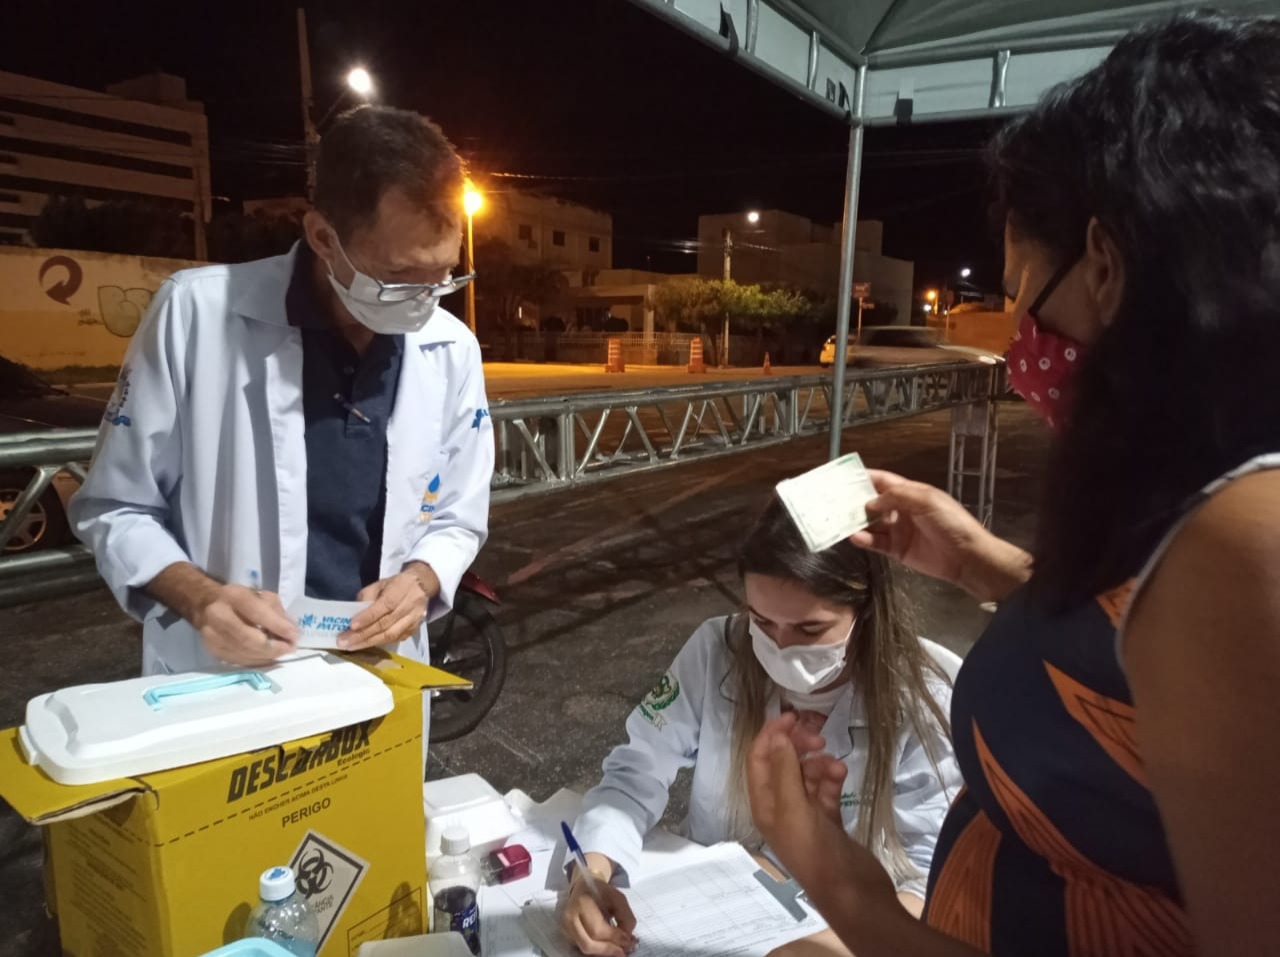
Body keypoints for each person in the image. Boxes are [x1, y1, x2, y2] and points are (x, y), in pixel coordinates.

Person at [746, 13, 1280, 957]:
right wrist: (987, 566)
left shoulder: (1245, 543)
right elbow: (1138, 659)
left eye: (1025, 298)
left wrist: (846, 892)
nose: (1024, 346)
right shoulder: (1198, 494)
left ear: (1107, 264)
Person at [70, 106, 493, 731]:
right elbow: (116, 507)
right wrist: (202, 599)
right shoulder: (196, 315)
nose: (425, 302)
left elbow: (459, 512)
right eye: (401, 277)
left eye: (445, 275)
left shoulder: (450, 348)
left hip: (380, 678)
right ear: (323, 237)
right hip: (228, 681)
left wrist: (423, 579)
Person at [562, 497, 962, 957]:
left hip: (843, 929)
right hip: (707, 910)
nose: (782, 648)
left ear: (867, 609)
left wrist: (829, 948)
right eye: (762, 621)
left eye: (809, 631)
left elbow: (930, 875)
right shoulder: (717, 651)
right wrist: (590, 874)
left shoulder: (921, 695)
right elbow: (636, 773)